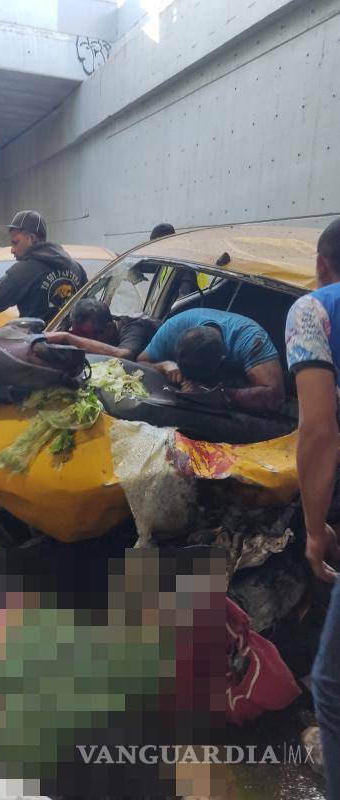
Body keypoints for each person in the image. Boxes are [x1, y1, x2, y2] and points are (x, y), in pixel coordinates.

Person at [285, 217, 340, 800]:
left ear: (322, 263)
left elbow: (317, 430)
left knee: (331, 685)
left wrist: (313, 529)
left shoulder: (312, 310)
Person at [139, 307, 284, 412]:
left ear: (222, 359)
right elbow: (140, 363)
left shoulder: (251, 340)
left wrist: (213, 394)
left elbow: (274, 397)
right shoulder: (173, 328)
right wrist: (163, 365)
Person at [0, 210, 87, 324]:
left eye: (15, 242)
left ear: (32, 238)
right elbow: (88, 308)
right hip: (72, 340)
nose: (12, 250)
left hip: (37, 340)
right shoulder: (76, 268)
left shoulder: (22, 271)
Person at [45, 298, 159, 361]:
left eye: (89, 336)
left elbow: (124, 356)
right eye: (79, 336)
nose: (86, 342)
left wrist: (68, 338)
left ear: (109, 328)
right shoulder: (104, 328)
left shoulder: (135, 327)